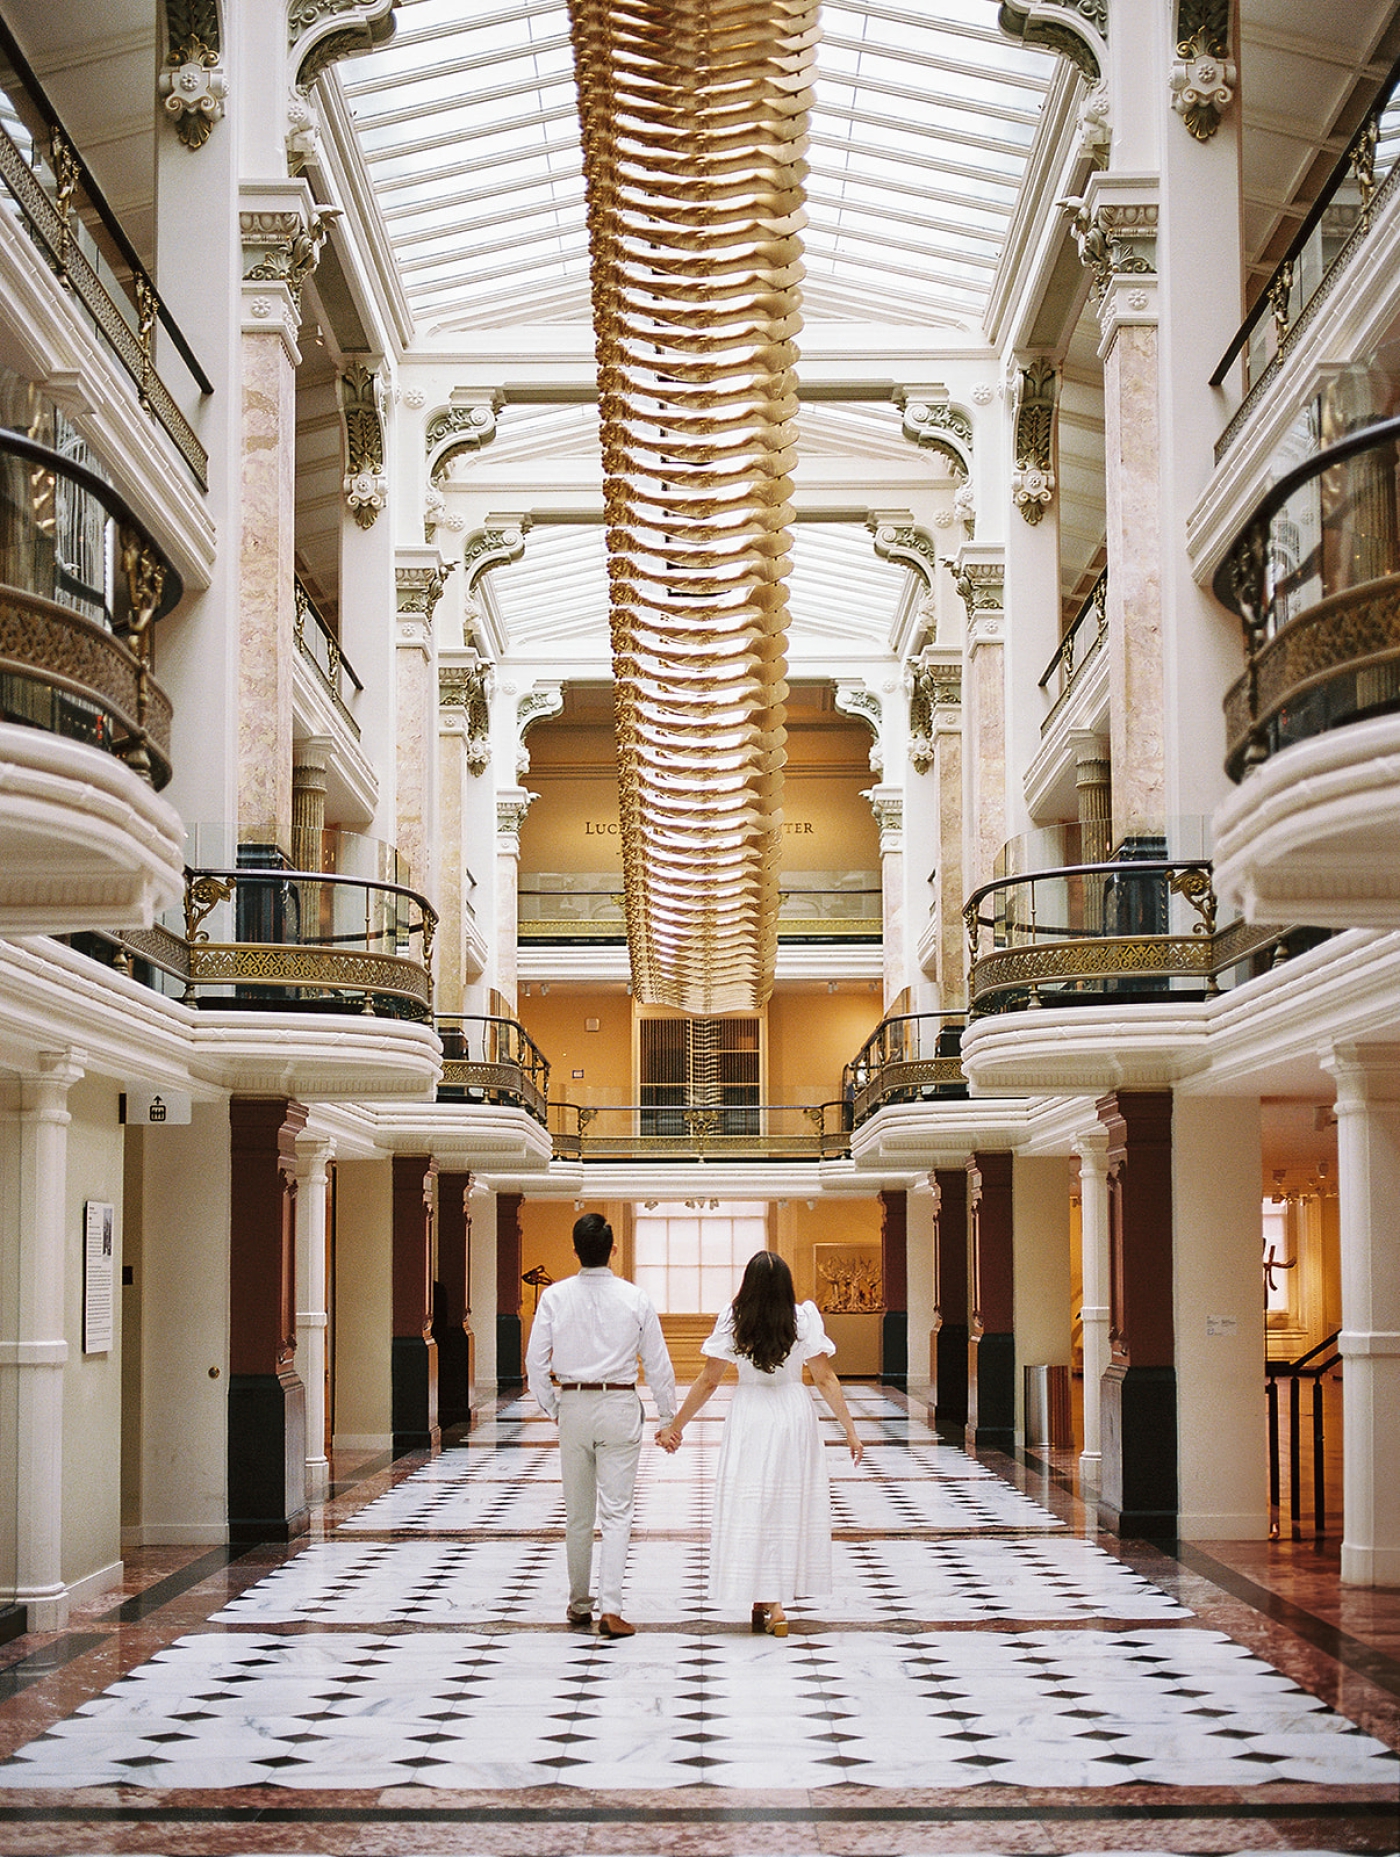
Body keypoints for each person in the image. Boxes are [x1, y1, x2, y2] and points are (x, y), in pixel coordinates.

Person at [656, 1251, 862, 1636]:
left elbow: (708, 1381)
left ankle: (770, 1599)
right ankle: (771, 1600)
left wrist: (675, 1427)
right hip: (793, 1412)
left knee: (753, 1504)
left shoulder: (735, 1320)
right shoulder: (802, 1319)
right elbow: (824, 1378)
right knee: (786, 1504)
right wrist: (850, 1430)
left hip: (751, 1415)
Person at [526, 1211, 677, 1639]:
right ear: (612, 1250)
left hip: (573, 1403)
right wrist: (668, 1416)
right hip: (619, 1403)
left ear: (575, 1252)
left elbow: (535, 1363)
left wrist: (553, 1407)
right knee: (617, 1512)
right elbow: (658, 1363)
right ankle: (611, 1609)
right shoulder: (635, 1297)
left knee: (577, 1513)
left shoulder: (554, 1297)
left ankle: (579, 1604)